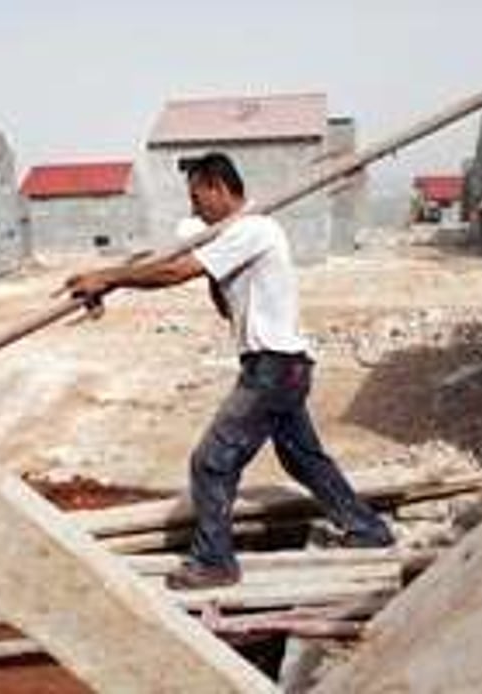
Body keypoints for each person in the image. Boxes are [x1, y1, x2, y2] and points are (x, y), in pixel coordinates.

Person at [64, 152, 393, 590]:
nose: (194, 208)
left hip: (273, 368)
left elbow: (172, 272)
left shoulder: (254, 228)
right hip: (282, 366)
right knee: (303, 459)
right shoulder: (234, 237)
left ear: (219, 188)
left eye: (197, 197)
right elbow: (223, 306)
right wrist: (205, 266)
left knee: (212, 462)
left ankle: (215, 562)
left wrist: (110, 277)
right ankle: (366, 529)